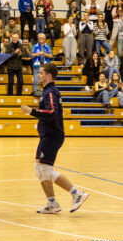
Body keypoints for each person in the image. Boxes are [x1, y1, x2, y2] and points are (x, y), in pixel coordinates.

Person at [20, 63, 89, 214]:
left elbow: (51, 112)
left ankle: (77, 193)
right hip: (48, 135)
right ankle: (52, 203)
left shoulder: (50, 92)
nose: (39, 75)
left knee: (43, 169)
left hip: (52, 135)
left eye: (41, 73)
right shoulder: (47, 91)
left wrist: (32, 111)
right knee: (40, 169)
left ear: (49, 76)